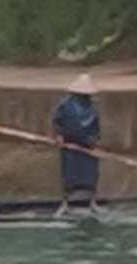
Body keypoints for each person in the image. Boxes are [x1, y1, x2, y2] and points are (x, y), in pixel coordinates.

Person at [52, 74, 102, 216]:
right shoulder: (65, 105)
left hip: (87, 145)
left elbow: (96, 128)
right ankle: (65, 202)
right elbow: (57, 121)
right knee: (69, 174)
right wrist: (59, 135)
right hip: (70, 145)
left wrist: (96, 144)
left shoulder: (93, 108)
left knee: (90, 174)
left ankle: (92, 202)